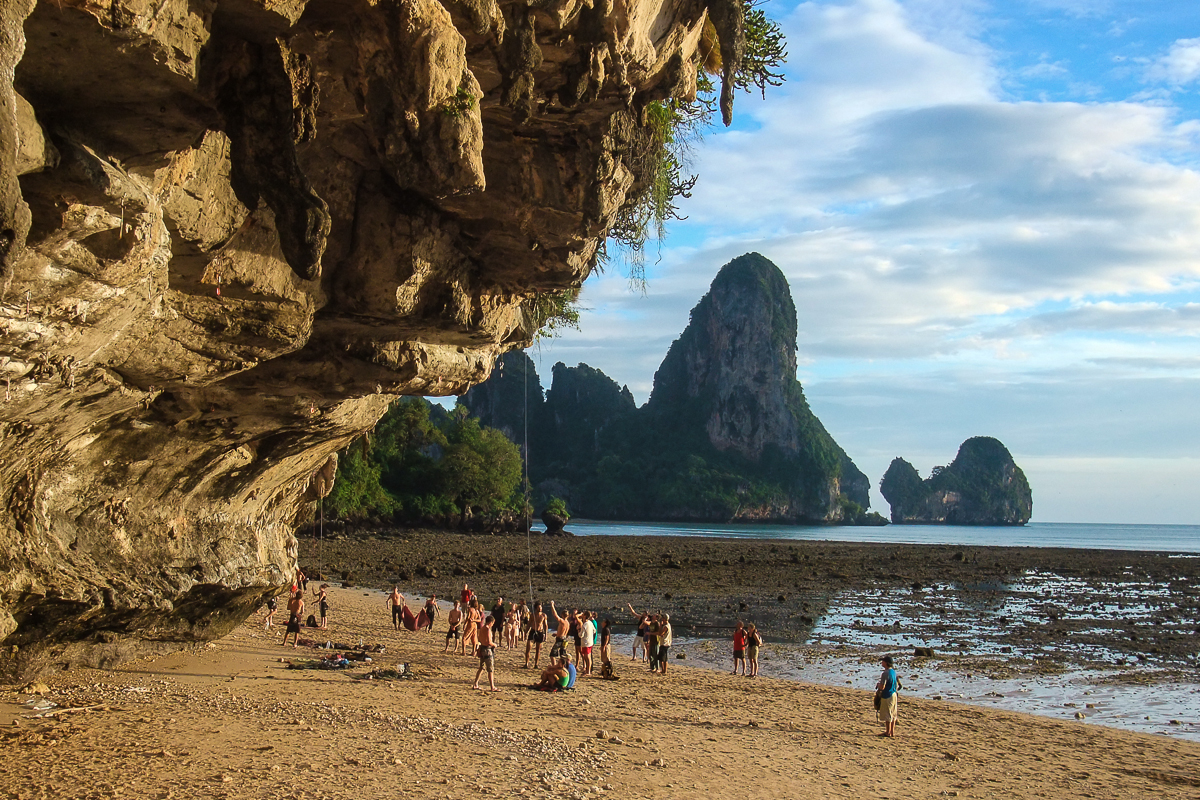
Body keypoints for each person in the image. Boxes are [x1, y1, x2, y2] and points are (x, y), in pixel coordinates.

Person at [472, 613, 500, 692]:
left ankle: (475, 684)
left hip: (482, 649)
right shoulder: (487, 629)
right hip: (487, 650)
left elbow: (480, 639)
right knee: (490, 669)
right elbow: (489, 642)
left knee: (481, 668)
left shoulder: (482, 629)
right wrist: (494, 645)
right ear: (491, 622)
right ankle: (492, 686)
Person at [875, 655, 899, 738]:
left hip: (887, 695)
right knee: (893, 713)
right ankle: (891, 731)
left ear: (886, 663)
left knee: (888, 714)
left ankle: (887, 732)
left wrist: (878, 685)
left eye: (883, 661)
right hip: (894, 694)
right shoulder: (893, 672)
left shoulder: (885, 673)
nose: (882, 662)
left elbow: (882, 686)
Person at [525, 602, 547, 668]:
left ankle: (536, 664)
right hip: (533, 631)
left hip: (540, 632)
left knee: (538, 650)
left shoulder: (543, 615)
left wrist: (545, 635)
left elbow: (545, 625)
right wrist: (525, 632)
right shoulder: (532, 615)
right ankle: (526, 663)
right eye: (539, 607)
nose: (540, 608)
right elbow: (529, 624)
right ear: (536, 608)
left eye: (541, 607)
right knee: (528, 648)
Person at [580, 611, 596, 676]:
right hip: (590, 642)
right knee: (588, 656)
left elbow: (581, 635)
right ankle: (587, 670)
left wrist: (578, 630)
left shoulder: (585, 624)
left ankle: (588, 671)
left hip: (586, 642)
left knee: (587, 657)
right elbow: (594, 631)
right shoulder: (590, 623)